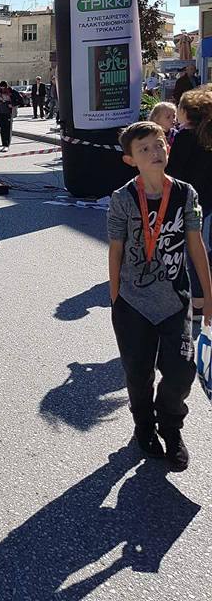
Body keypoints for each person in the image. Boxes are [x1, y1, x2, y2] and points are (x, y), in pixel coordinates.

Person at [108, 120, 212, 469]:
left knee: (182, 372)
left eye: (159, 144)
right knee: (138, 374)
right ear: (131, 160)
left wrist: (208, 295)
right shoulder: (123, 199)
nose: (154, 152)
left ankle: (170, 424)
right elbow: (116, 250)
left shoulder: (185, 193)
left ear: (168, 147)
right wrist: (115, 297)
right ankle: (144, 426)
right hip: (133, 304)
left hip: (174, 301)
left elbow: (196, 247)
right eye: (144, 149)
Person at [167, 86, 212, 314]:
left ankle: (199, 303)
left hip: (195, 202)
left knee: (195, 252)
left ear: (187, 111)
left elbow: (174, 173)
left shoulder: (186, 136)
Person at [0, 80, 15, 152]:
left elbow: (19, 99)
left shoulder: (11, 91)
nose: (2, 89)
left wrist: (12, 104)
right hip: (1, 112)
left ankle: (7, 145)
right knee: (2, 129)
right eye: (1, 87)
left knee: (7, 129)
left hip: (8, 112)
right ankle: (4, 144)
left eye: (3, 87)